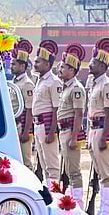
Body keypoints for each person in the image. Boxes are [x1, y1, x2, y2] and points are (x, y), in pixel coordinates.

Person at [86, 39, 109, 215]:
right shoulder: (94, 83)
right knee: (98, 171)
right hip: (93, 128)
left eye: (95, 62)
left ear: (102, 65)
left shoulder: (107, 85)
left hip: (101, 129)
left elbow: (108, 114)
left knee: (106, 172)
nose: (91, 64)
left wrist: (105, 136)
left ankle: (107, 210)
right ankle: (102, 209)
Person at [56, 44, 87, 203]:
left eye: (63, 67)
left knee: (74, 170)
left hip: (70, 131)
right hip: (63, 131)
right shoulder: (66, 87)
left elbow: (79, 113)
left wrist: (74, 137)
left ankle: (78, 202)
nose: (59, 69)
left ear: (72, 70)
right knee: (67, 169)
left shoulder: (76, 88)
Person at [31, 40, 63, 189]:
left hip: (47, 125)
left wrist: (52, 131)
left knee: (52, 164)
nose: (35, 64)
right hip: (38, 125)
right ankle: (50, 193)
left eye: (38, 62)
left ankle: (56, 195)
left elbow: (57, 108)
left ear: (47, 64)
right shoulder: (39, 80)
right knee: (43, 164)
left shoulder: (54, 82)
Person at [11, 39, 37, 172]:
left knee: (26, 162)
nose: (11, 67)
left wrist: (26, 131)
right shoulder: (13, 81)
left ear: (22, 66)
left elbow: (29, 110)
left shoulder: (27, 84)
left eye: (14, 64)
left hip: (22, 126)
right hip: (14, 125)